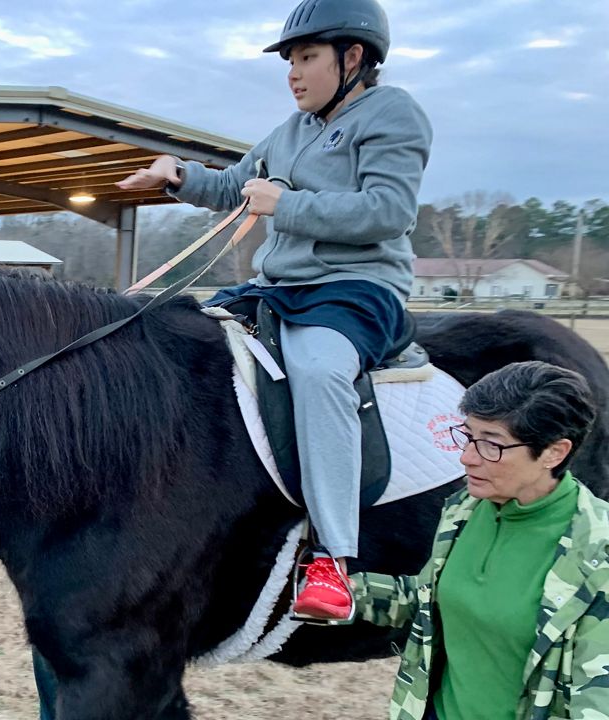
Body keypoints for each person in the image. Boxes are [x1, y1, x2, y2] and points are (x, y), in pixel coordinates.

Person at [116, 0, 433, 621]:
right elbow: (236, 186)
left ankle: (332, 559)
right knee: (173, 336)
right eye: (290, 60)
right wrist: (177, 175)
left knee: (318, 371)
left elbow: (388, 211)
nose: (293, 73)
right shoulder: (292, 130)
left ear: (353, 57)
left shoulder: (393, 114)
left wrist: (285, 205)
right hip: (277, 288)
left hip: (355, 290)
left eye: (307, 57)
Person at [352, 361, 609, 719]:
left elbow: (596, 703)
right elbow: (431, 601)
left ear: (554, 452)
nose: (466, 457)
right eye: (468, 436)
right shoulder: (464, 509)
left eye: (491, 445)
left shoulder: (598, 554)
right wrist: (350, 593)